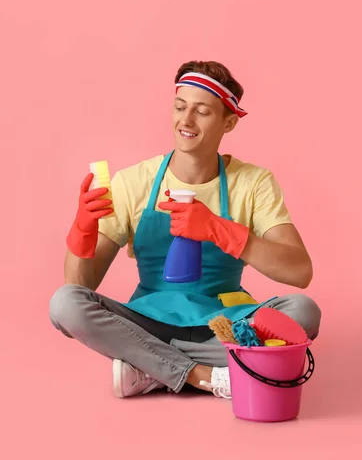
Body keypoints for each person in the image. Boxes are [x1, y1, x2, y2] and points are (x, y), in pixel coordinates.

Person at [49, 61, 321, 400]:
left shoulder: (253, 183)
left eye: (202, 111)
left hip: (224, 325)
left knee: (303, 311)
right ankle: (204, 375)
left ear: (229, 122)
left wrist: (219, 229)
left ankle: (148, 366)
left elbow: (299, 270)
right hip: (147, 320)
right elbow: (80, 285)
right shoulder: (134, 182)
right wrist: (82, 232)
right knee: (64, 303)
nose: (186, 121)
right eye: (180, 107)